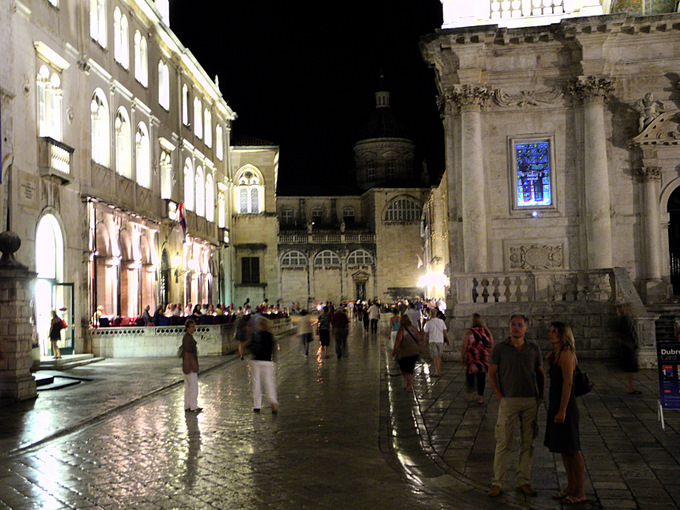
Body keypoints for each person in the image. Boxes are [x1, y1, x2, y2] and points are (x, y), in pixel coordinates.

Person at [487, 314, 545, 498]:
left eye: (520, 325)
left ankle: (523, 481)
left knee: (528, 442)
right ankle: (498, 483)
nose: (516, 327)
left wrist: (540, 396)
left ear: (526, 328)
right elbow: (492, 374)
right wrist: (499, 397)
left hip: (529, 400)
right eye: (513, 324)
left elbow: (540, 373)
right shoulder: (500, 348)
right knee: (504, 442)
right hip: (509, 400)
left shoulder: (533, 349)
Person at [544, 322, 587, 505]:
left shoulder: (567, 354)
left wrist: (562, 410)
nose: (551, 333)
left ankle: (580, 491)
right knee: (563, 448)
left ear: (563, 334)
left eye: (555, 331)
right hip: (557, 405)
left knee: (573, 449)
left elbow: (568, 384)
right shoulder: (557, 355)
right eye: (551, 330)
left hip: (566, 407)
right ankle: (570, 486)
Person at [608, 303, 641, 395]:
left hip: (629, 347)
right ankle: (630, 387)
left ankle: (630, 387)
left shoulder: (627, 319)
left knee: (629, 369)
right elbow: (618, 335)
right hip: (627, 348)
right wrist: (628, 344)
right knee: (628, 368)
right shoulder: (623, 320)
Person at [461, 313, 494, 404]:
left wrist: (462, 356)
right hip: (483, 358)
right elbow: (491, 343)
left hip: (472, 357)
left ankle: (472, 391)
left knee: (470, 375)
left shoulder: (470, 332)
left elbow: (464, 345)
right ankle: (480, 397)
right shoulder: (486, 331)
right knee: (481, 377)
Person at [249, 317, 278, 414]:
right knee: (269, 382)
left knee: (257, 383)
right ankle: (273, 402)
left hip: (256, 361)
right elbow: (273, 349)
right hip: (267, 361)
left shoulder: (256, 335)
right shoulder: (270, 336)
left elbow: (251, 348)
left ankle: (257, 405)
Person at [392, 314, 422, 392]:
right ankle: (409, 384)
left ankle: (410, 385)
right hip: (414, 351)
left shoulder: (401, 330)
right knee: (410, 369)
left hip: (405, 352)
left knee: (404, 369)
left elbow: (397, 342)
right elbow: (419, 338)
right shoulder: (414, 328)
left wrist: (394, 351)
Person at [182, 320, 202, 413]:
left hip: (187, 365)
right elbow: (188, 353)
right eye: (192, 327)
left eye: (194, 326)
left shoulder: (187, 337)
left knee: (188, 387)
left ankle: (188, 406)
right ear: (188, 328)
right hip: (190, 365)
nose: (194, 328)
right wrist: (191, 366)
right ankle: (193, 406)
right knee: (193, 387)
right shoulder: (188, 338)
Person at [423, 307, 450, 377]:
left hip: (432, 341)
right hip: (440, 340)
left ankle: (437, 370)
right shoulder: (441, 321)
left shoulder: (428, 323)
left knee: (435, 357)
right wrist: (448, 340)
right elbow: (445, 332)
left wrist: (425, 342)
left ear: (430, 314)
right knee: (439, 356)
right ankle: (438, 370)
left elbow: (426, 334)